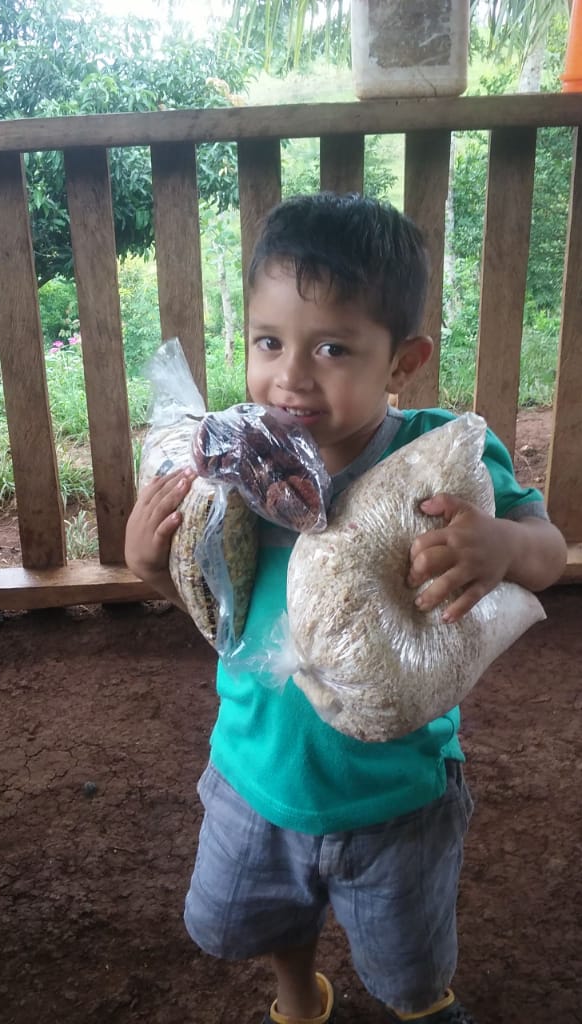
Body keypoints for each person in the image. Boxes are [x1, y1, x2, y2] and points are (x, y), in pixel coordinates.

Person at [125, 192, 567, 1024]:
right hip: (258, 771)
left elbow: (545, 548)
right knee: (267, 916)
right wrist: (151, 564)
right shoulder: (237, 463)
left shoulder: (436, 455)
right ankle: (299, 996)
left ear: (402, 361)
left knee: (406, 949)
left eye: (332, 347)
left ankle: (421, 1003)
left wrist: (504, 548)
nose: (291, 375)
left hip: (395, 791)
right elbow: (217, 610)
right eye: (269, 342)